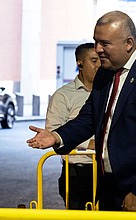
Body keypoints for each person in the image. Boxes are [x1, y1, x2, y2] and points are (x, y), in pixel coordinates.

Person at [27, 10, 136, 211]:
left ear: (128, 43)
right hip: (107, 186)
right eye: (96, 41)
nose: (98, 49)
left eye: (105, 43)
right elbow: (89, 118)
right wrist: (57, 136)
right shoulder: (104, 74)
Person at [45, 43, 100, 210]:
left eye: (100, 60)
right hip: (78, 172)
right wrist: (89, 145)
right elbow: (54, 132)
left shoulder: (108, 92)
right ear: (80, 63)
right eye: (93, 60)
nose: (99, 65)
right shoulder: (63, 95)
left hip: (107, 171)